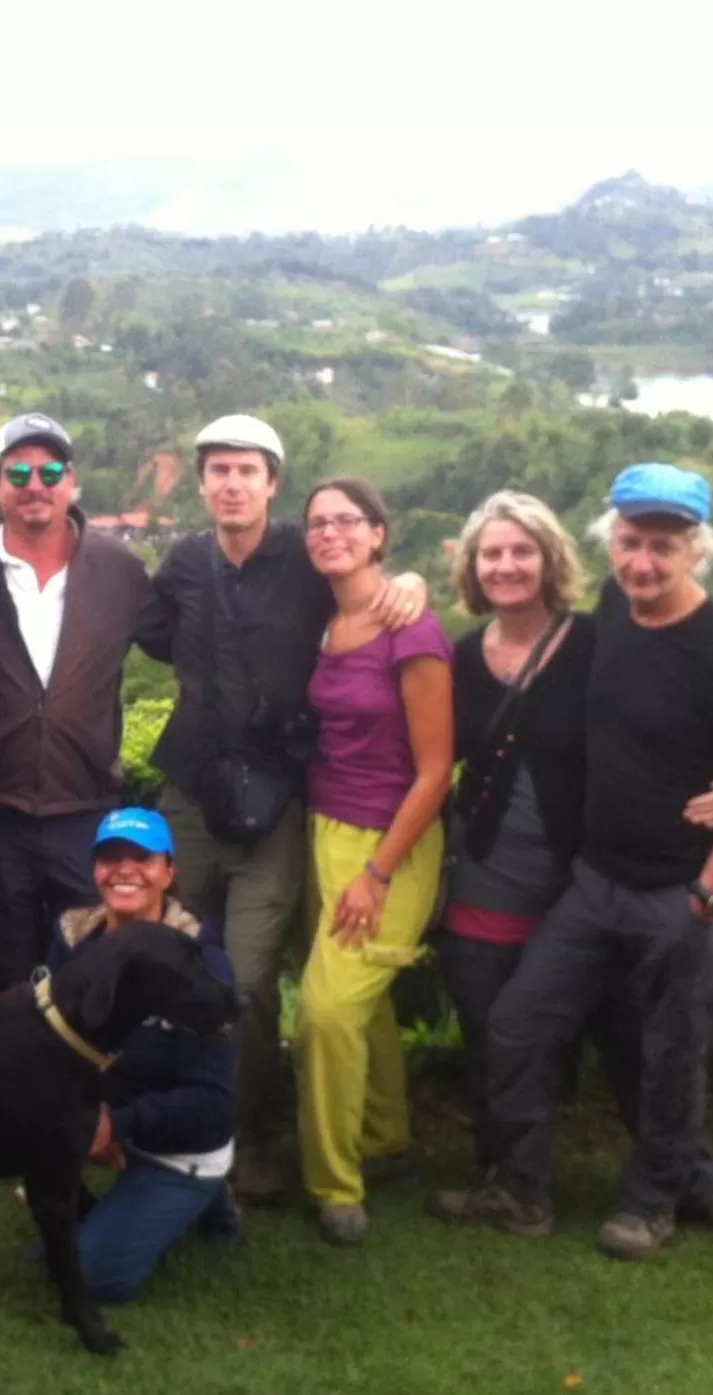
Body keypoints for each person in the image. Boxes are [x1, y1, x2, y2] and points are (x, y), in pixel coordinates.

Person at [434, 464, 713, 1259]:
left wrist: (707, 897)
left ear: (696, 550)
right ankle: (520, 1189)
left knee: (669, 1049)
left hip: (684, 887)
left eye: (662, 547)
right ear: (608, 543)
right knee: (520, 1023)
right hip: (596, 882)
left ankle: (654, 1203)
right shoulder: (612, 618)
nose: (642, 563)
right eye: (629, 543)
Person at [135, 415, 424, 1204]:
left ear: (271, 484)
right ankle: (168, 1116)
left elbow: (365, 576)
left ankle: (250, 1133)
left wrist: (409, 583)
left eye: (247, 471)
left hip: (274, 803)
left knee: (251, 978)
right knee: (173, 957)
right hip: (192, 793)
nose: (231, 484)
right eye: (218, 471)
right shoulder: (184, 562)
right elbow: (149, 631)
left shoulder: (304, 554)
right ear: (202, 483)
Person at [0, 413, 154, 990]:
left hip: (84, 807)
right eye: (19, 473)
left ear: (71, 482)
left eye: (51, 472)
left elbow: (187, 634)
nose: (36, 485)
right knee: (8, 983)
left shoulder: (121, 571)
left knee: (90, 977)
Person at [291, 478, 454, 1244]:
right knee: (366, 1001)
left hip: (389, 842)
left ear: (378, 533)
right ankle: (386, 1139)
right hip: (324, 828)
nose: (330, 533)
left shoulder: (409, 628)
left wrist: (378, 872)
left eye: (346, 521)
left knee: (325, 1012)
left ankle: (334, 1183)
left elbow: (435, 770)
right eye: (317, 523)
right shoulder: (328, 623)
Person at [40, 807, 242, 1299]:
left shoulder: (203, 964)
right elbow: (52, 1049)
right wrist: (82, 1118)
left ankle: (204, 1190)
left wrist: (117, 1125)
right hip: (109, 1115)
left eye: (143, 858)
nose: (125, 870)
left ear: (168, 872)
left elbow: (212, 1102)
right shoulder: (73, 942)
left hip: (183, 1144)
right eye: (111, 857)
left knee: (89, 1276)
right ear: (95, 871)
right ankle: (138, 1206)